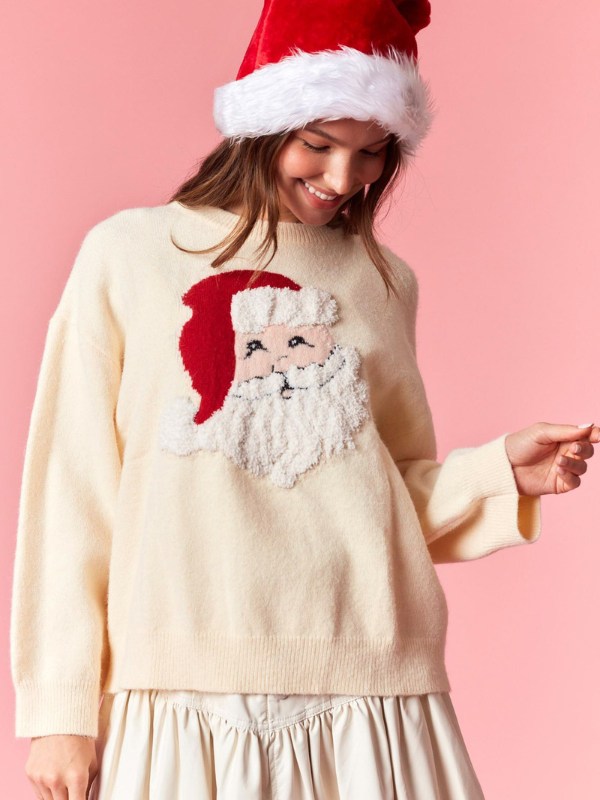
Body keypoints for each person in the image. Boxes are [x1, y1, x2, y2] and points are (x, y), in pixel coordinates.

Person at [10, 1, 598, 799]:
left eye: (371, 153)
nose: (342, 179)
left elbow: (381, 492)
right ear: (265, 122)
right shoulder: (129, 255)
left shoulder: (382, 283)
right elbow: (73, 492)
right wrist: (61, 710)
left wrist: (499, 472)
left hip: (373, 695)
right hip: (178, 692)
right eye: (317, 144)